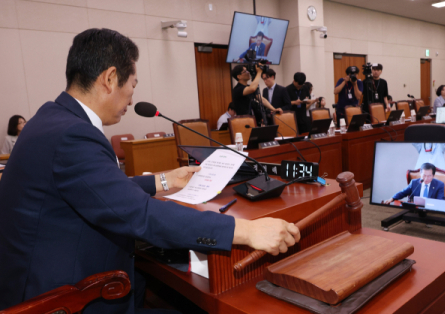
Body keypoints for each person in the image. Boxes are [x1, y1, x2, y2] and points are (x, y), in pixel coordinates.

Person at [0, 28, 300, 313]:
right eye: (133, 85)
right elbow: (138, 214)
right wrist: (246, 230)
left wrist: (163, 180)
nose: (132, 98)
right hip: (65, 298)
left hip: (51, 275)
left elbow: (93, 188)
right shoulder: (72, 136)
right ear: (109, 78)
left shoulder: (52, 118)